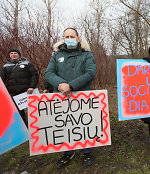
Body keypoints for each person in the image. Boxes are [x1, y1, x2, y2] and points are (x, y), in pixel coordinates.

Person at [45, 28, 96, 168]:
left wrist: (71, 86)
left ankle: (87, 151)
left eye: (72, 36)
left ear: (78, 38)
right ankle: (68, 152)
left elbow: (90, 73)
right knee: (65, 125)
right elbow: (48, 73)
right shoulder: (56, 55)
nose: (69, 38)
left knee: (84, 124)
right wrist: (61, 85)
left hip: (82, 96)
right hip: (61, 96)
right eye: (66, 36)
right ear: (63, 38)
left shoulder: (87, 55)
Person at [0, 49, 38, 126]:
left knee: (33, 111)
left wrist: (32, 87)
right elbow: (1, 79)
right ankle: (25, 127)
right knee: (19, 113)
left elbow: (34, 75)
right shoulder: (5, 66)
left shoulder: (27, 64)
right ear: (9, 55)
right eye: (11, 53)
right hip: (14, 93)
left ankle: (35, 126)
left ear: (19, 55)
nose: (13, 54)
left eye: (15, 53)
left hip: (28, 92)